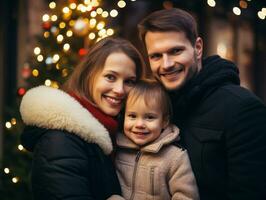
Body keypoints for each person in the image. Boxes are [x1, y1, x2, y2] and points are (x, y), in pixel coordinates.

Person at [138, 8, 266, 200]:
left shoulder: (242, 108)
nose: (166, 64)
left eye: (175, 51)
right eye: (156, 56)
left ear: (197, 48)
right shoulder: (157, 107)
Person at [20, 37, 145, 200]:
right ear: (89, 75)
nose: (120, 90)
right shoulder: (61, 138)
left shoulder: (117, 130)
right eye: (110, 77)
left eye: (129, 81)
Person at [114, 80, 199, 200]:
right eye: (132, 116)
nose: (139, 124)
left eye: (149, 117)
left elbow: (187, 196)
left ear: (164, 121)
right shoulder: (117, 149)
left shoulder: (175, 158)